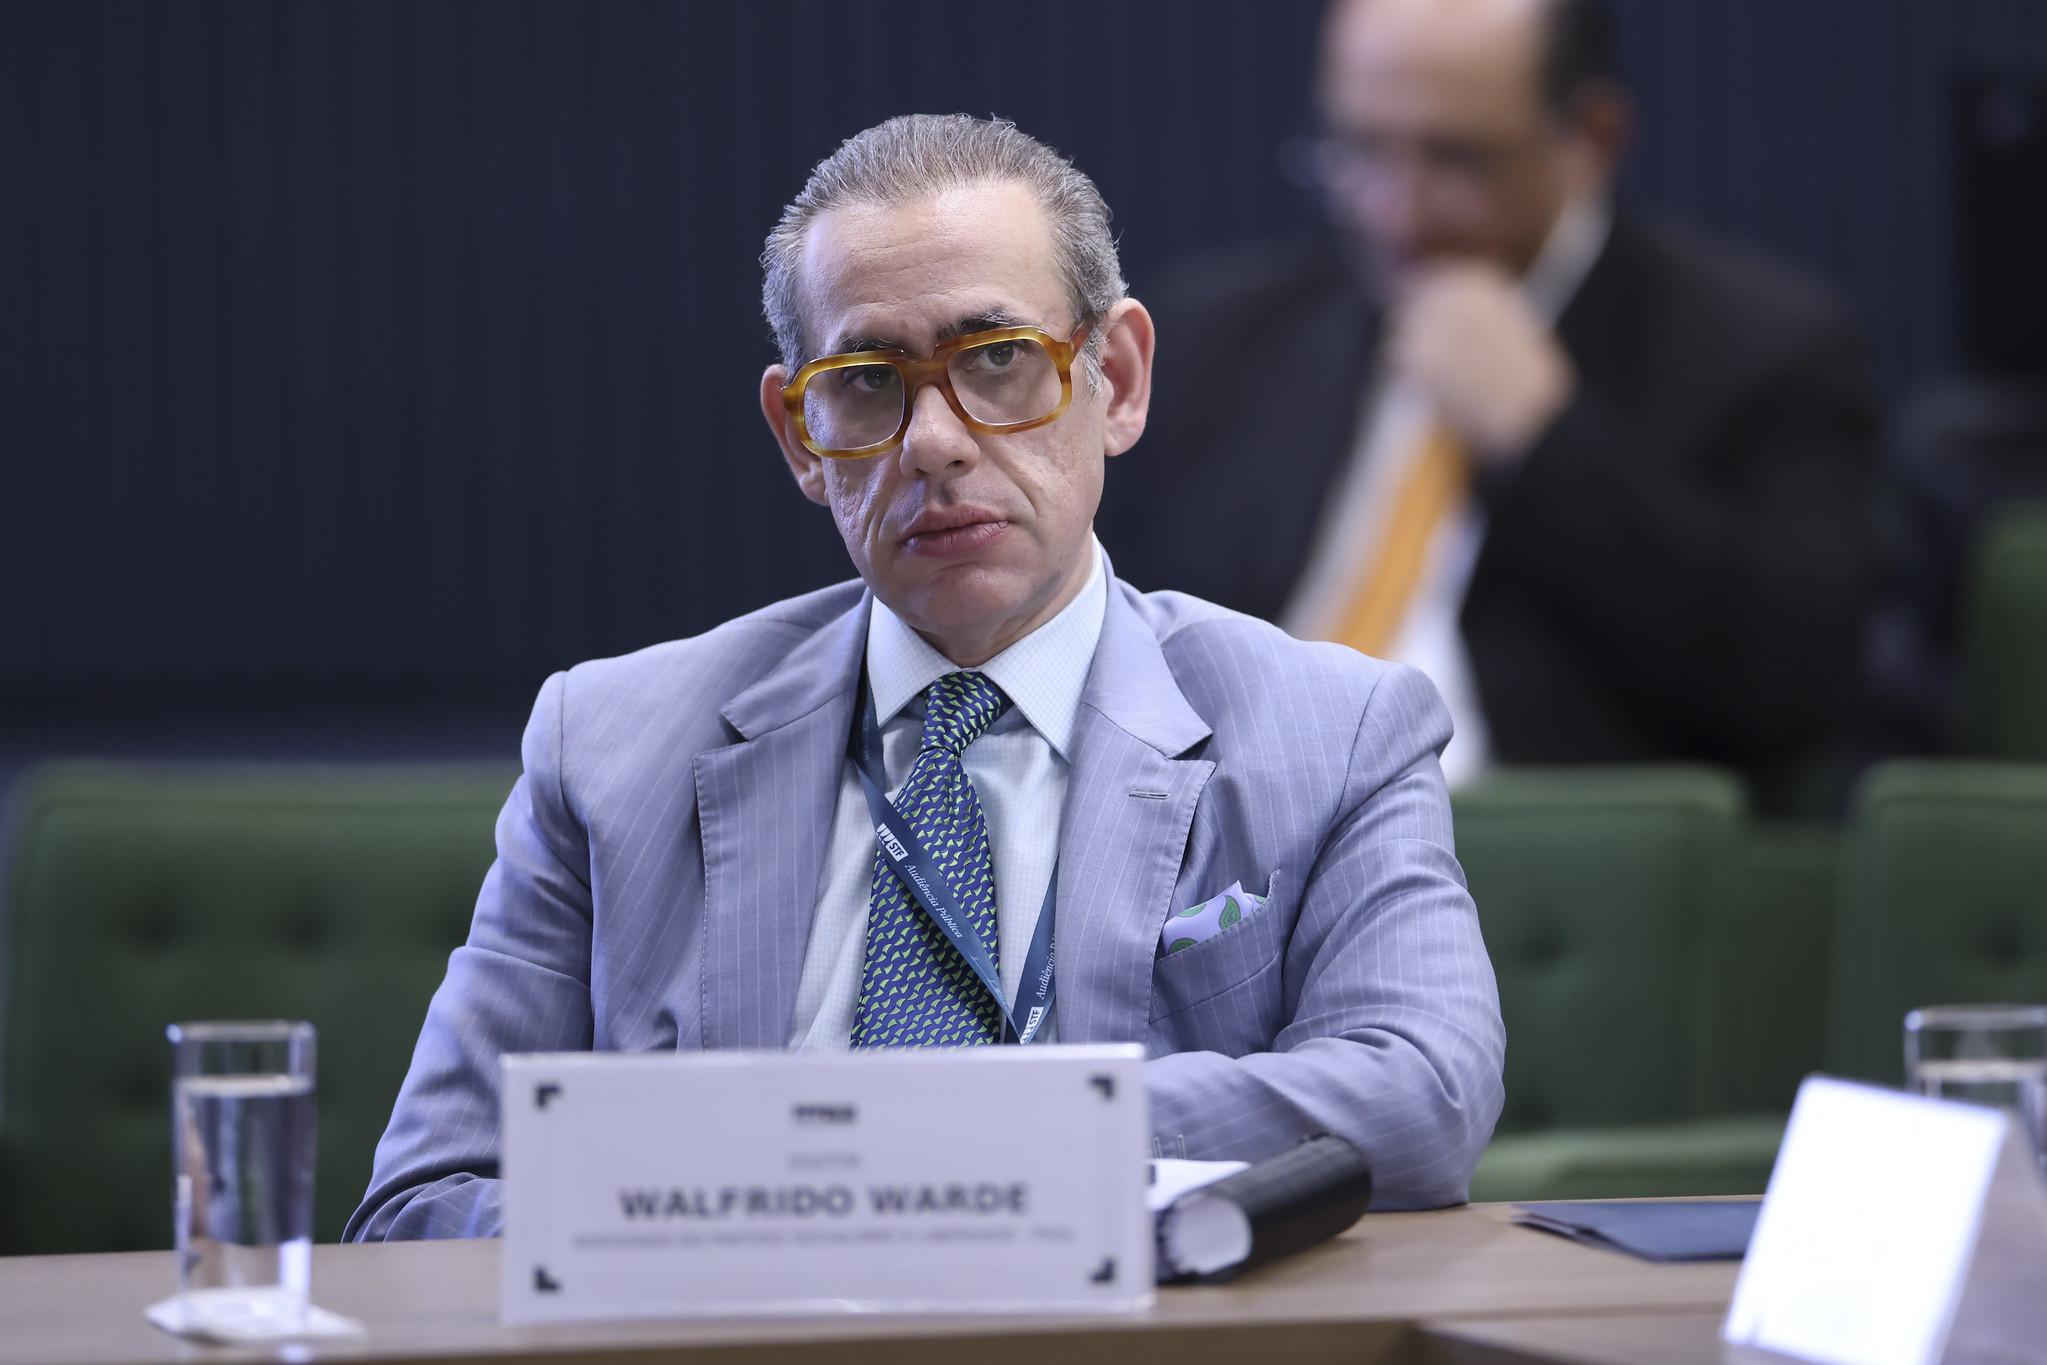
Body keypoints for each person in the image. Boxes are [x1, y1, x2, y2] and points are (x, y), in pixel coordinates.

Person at [346, 115, 1504, 1241]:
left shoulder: (1335, 730)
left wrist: (957, 1143)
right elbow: (426, 1196)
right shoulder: (605, 748)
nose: (934, 441)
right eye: (865, 380)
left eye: (997, 361)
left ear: (1116, 380)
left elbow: (1422, 1095)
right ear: (800, 436)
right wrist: (718, 1234)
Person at [1099, 0, 1877, 808]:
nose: (1394, 212)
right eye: (1360, 150)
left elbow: (1792, 688)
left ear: (1591, 138)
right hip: (1228, 832)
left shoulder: (1756, 348)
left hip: (1529, 858)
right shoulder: (1218, 342)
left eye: (1456, 161)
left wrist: (1546, 441)